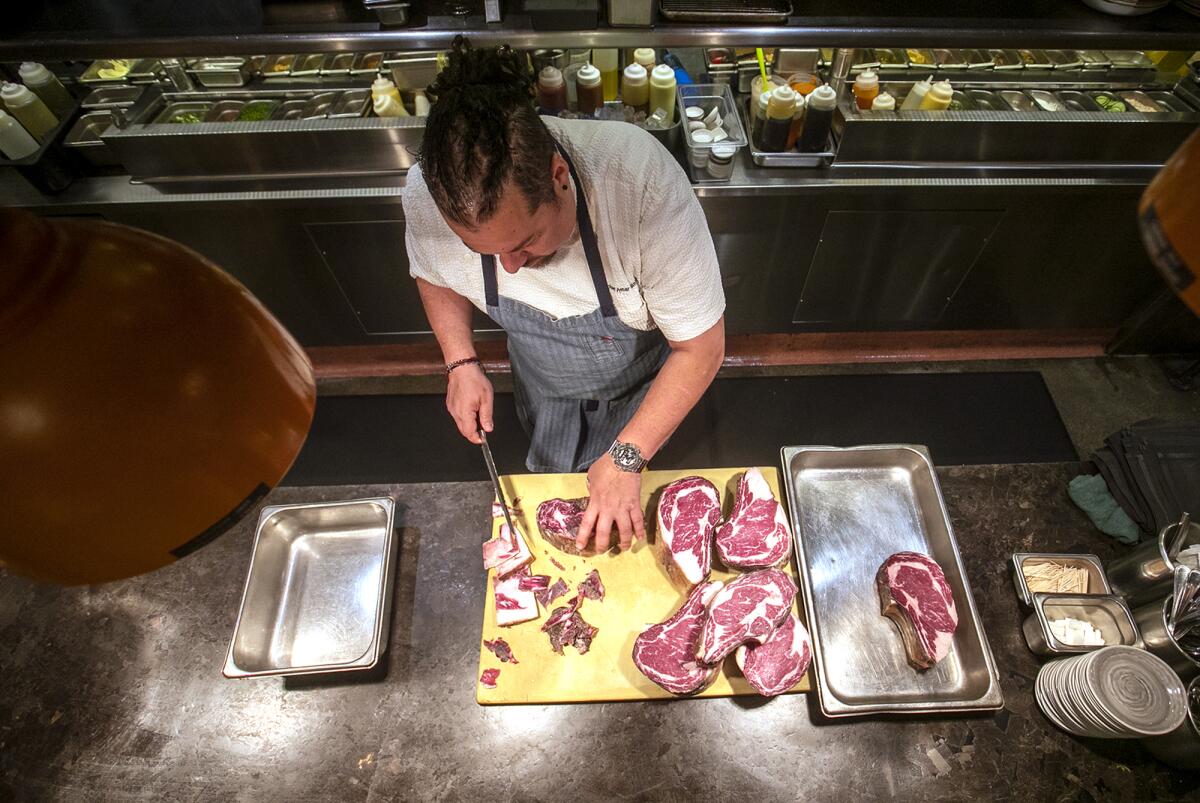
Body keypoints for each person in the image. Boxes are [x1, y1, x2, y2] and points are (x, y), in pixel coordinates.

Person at [402, 38, 725, 554]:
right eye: (480, 250)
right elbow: (434, 273)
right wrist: (459, 359)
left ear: (558, 177)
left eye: (524, 242)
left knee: (637, 534)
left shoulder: (637, 182)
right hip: (544, 387)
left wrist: (626, 458)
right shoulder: (431, 191)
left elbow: (701, 348)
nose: (507, 266)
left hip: (644, 393)